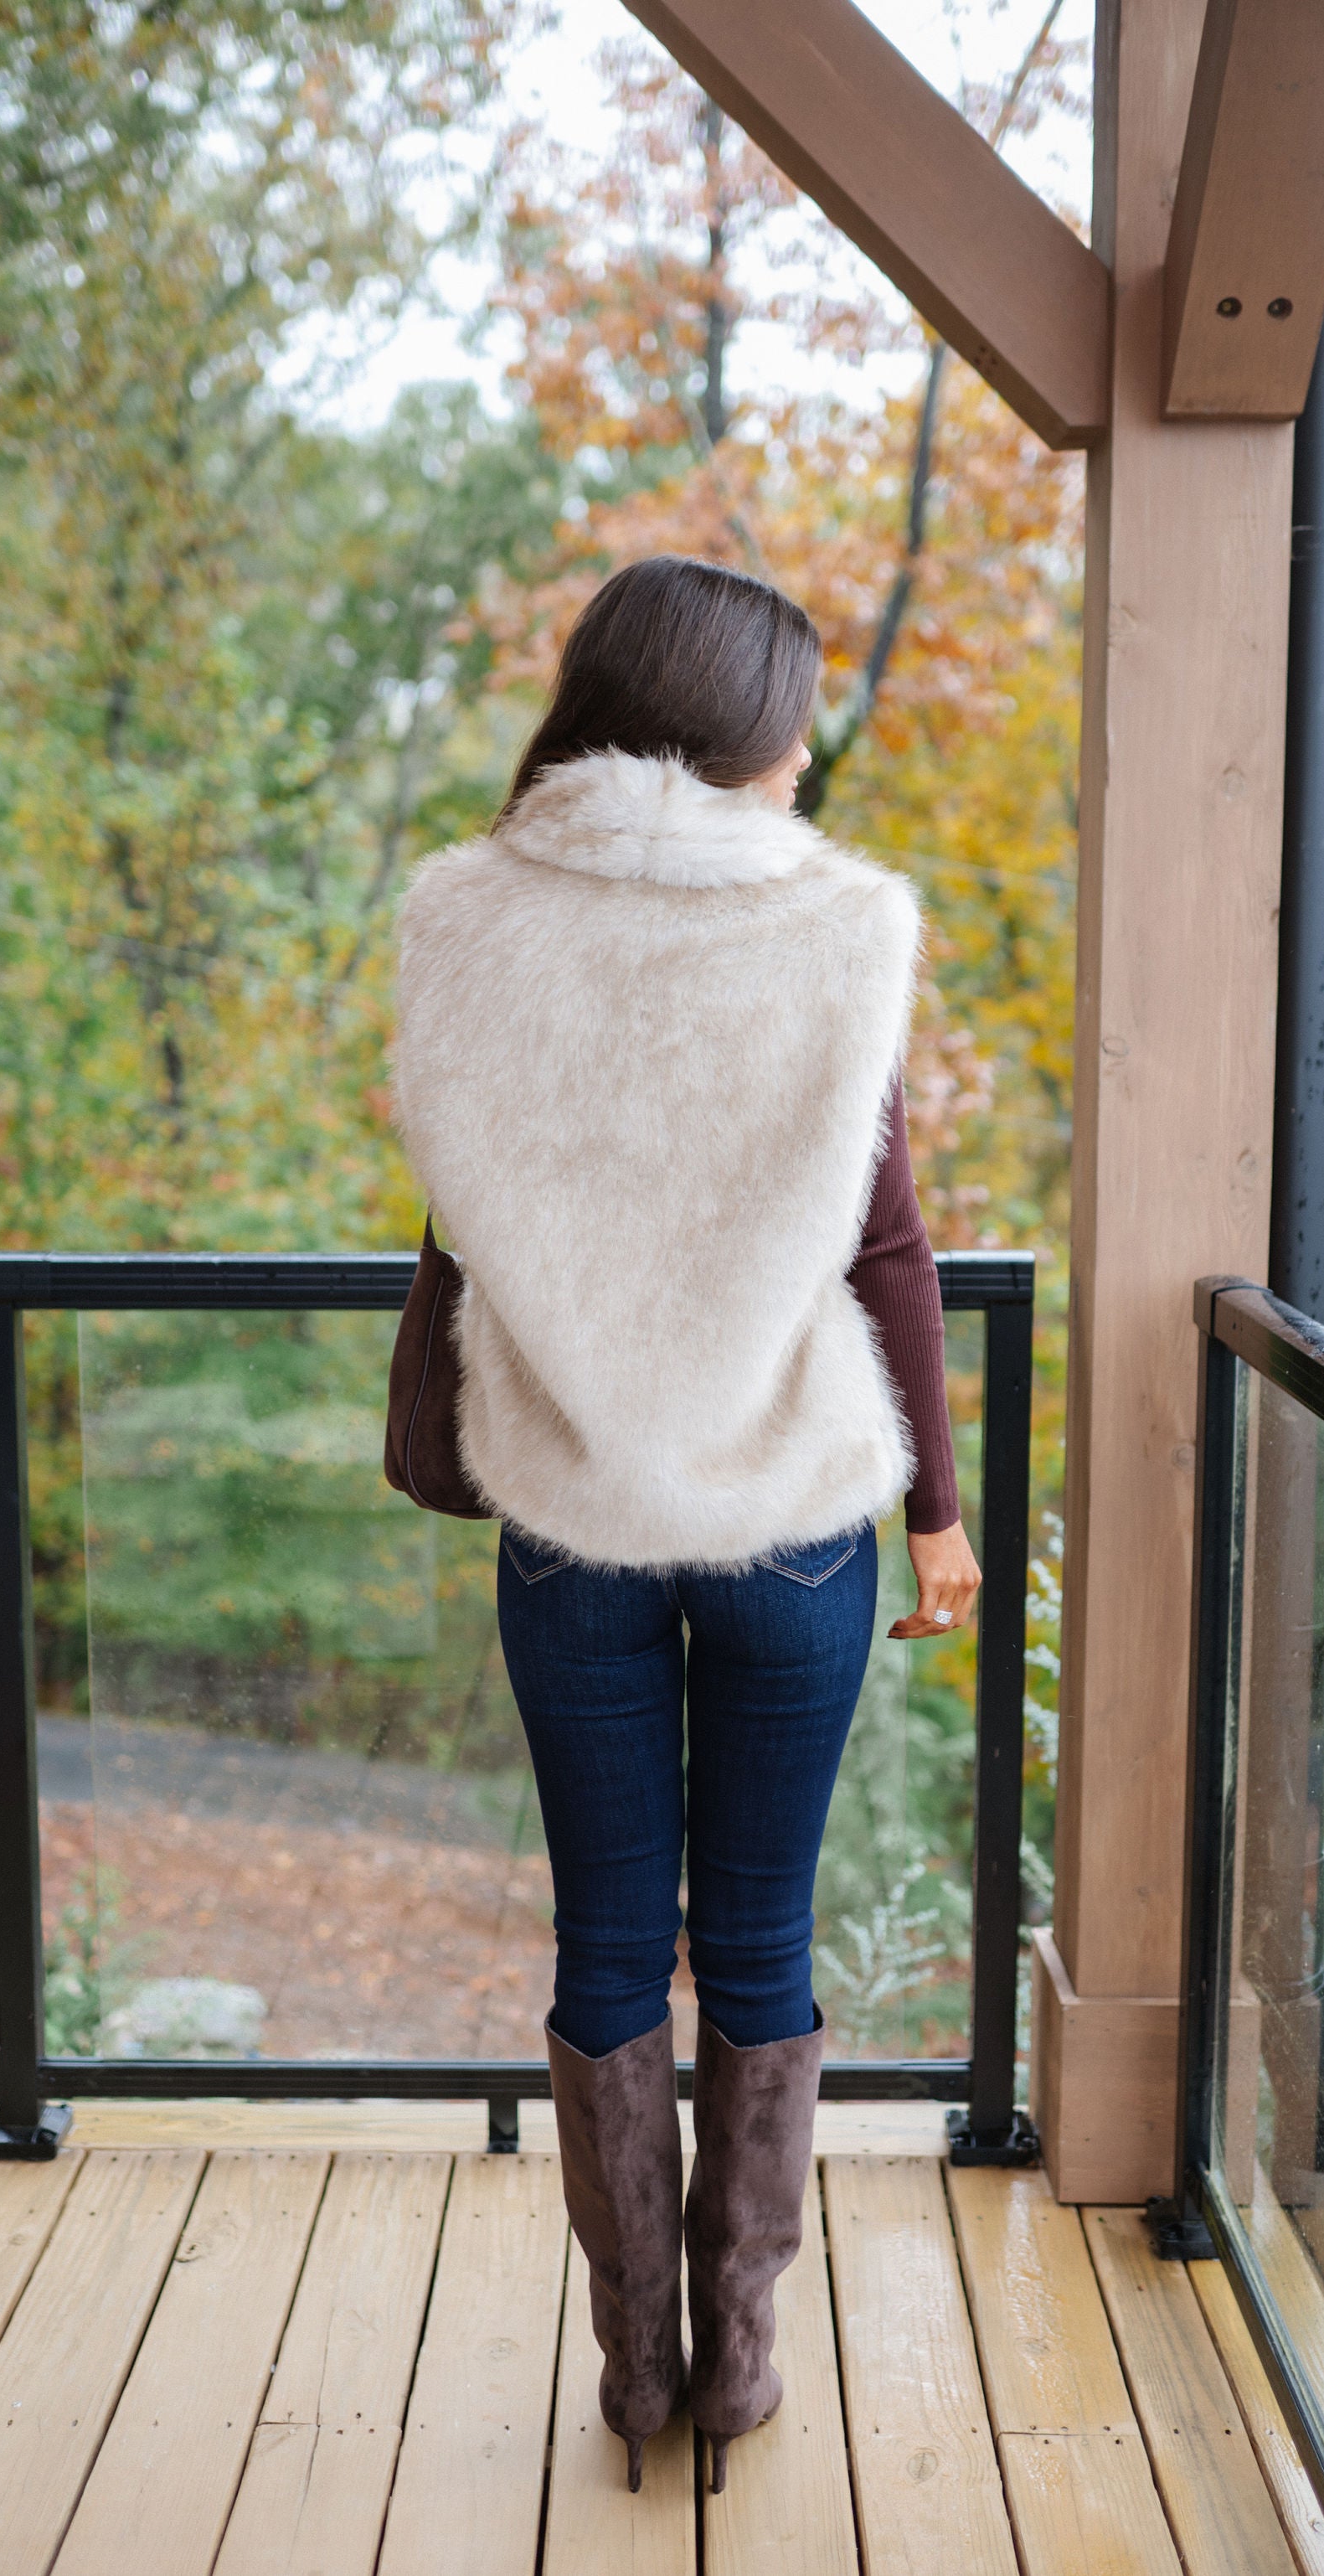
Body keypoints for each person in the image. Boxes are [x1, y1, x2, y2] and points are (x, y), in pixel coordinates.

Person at [394, 555, 981, 2496]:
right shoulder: (836, 928)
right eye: (790, 720)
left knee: (602, 1942)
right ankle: (738, 2359)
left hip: (568, 1510)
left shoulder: (465, 922)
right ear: (725, 729)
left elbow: (464, 1223)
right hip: (790, 1515)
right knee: (756, 1935)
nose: (805, 755)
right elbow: (888, 1247)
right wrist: (940, 1514)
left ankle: (632, 2363)